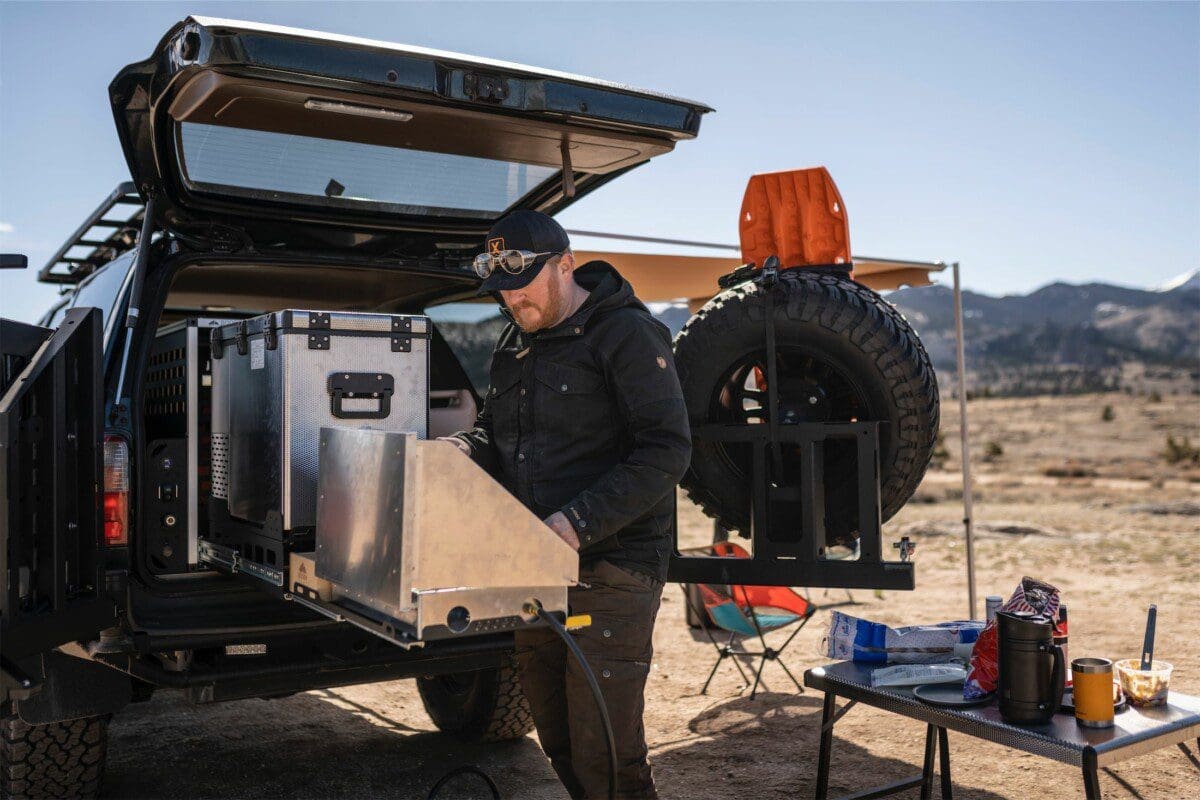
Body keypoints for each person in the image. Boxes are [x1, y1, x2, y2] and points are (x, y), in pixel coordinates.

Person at [443, 210, 691, 799]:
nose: (512, 301)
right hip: (537, 569)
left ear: (565, 265)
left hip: (613, 569)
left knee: (605, 748)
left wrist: (576, 521)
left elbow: (668, 448)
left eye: (523, 283)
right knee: (555, 734)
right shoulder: (515, 341)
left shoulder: (626, 334)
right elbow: (495, 435)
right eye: (501, 290)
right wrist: (451, 453)